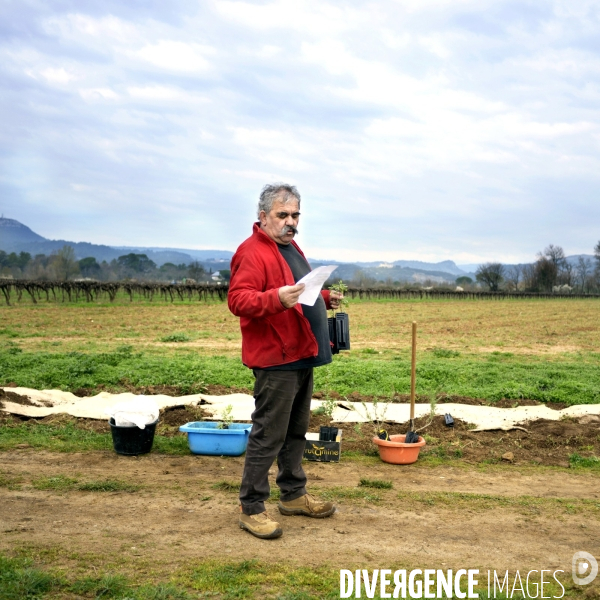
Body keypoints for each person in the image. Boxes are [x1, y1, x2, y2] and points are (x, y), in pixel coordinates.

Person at [228, 183, 343, 539]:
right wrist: (276, 299)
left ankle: (293, 494)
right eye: (282, 215)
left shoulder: (290, 247)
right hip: (275, 358)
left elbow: (298, 287)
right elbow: (239, 300)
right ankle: (252, 507)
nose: (290, 222)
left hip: (301, 351)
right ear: (263, 217)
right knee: (269, 433)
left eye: (295, 215)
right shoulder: (252, 252)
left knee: (296, 429)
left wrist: (323, 295)